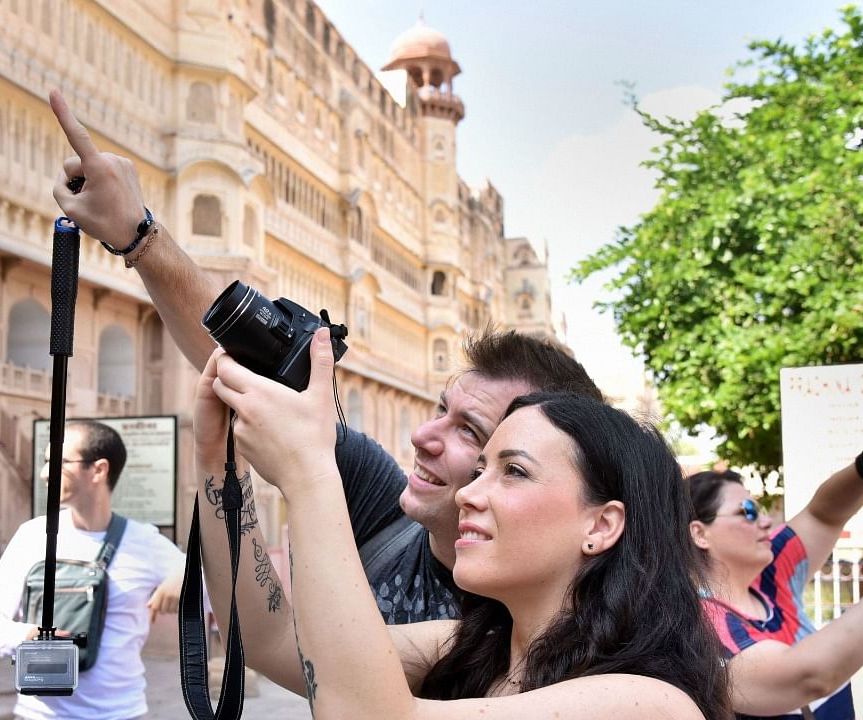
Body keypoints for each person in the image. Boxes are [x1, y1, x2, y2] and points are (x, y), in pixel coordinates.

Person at [47, 90, 602, 623]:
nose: (423, 437)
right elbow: (270, 645)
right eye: (441, 411)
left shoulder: (572, 650)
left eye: (472, 434)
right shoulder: (387, 515)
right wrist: (138, 237)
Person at [190, 330, 729, 718]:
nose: (470, 493)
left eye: (513, 470)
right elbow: (272, 641)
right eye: (479, 468)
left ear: (602, 525)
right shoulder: (473, 646)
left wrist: (311, 474)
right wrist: (217, 460)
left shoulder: (648, 702)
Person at [688, 440, 863, 720]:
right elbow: (810, 676)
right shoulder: (701, 624)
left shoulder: (769, 576)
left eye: (761, 510)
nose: (765, 521)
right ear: (700, 534)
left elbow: (823, 515)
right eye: (748, 512)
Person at [0, 420, 185, 720]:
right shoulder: (33, 536)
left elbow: (221, 594)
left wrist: (188, 572)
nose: (45, 474)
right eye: (45, 462)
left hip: (121, 713)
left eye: (58, 463)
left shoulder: (145, 542)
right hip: (38, 714)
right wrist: (29, 635)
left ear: (98, 470)